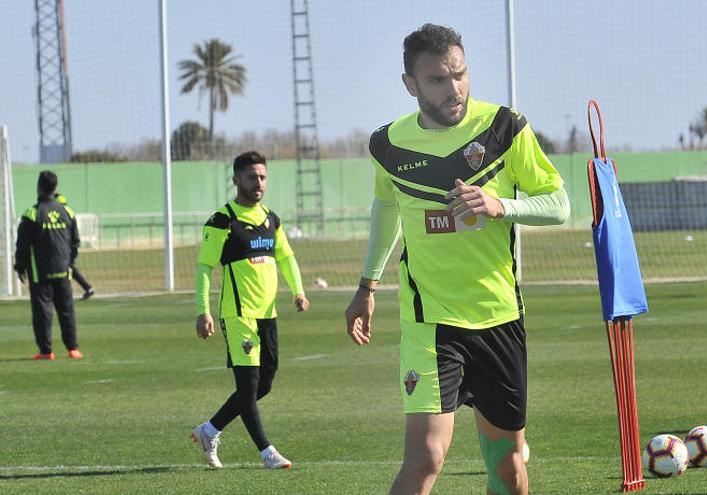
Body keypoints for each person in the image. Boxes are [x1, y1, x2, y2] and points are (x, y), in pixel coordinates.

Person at [344, 24, 570, 495]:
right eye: (438, 81)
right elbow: (386, 207)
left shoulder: (505, 129)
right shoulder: (388, 146)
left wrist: (500, 205)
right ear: (410, 85)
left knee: (507, 467)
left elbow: (559, 204)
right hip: (431, 323)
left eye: (461, 75)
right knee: (425, 458)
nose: (455, 89)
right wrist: (367, 286)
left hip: (498, 318)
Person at [190, 151, 310, 469]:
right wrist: (204, 311)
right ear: (236, 180)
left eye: (262, 177)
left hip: (267, 314)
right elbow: (204, 267)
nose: (258, 183)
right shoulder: (222, 221)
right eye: (251, 177)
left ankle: (209, 430)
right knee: (248, 384)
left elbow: (286, 257)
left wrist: (298, 291)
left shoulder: (271, 219)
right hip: (238, 313)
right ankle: (267, 451)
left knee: (265, 383)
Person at [14, 171, 84, 360]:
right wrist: (70, 262)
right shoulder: (67, 212)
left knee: (42, 311)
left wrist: (20, 266)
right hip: (63, 271)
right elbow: (76, 242)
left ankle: (46, 351)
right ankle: (73, 349)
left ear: (39, 187)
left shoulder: (32, 213)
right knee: (66, 309)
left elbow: (22, 244)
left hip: (40, 273)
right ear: (55, 188)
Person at [55, 193, 95, 300]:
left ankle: (85, 289)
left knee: (67, 271)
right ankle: (88, 288)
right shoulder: (69, 213)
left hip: (66, 250)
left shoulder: (62, 215)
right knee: (71, 271)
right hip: (69, 249)